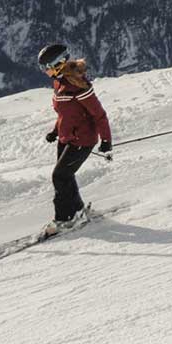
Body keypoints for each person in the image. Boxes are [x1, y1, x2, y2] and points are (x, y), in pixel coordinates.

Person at [35, 42, 112, 229]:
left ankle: (64, 219)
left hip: (82, 139)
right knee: (66, 177)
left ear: (57, 65)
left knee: (59, 176)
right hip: (66, 138)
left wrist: (106, 140)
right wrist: (55, 131)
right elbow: (66, 113)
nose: (44, 71)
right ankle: (77, 211)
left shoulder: (79, 86)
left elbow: (99, 115)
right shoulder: (59, 83)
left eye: (45, 67)